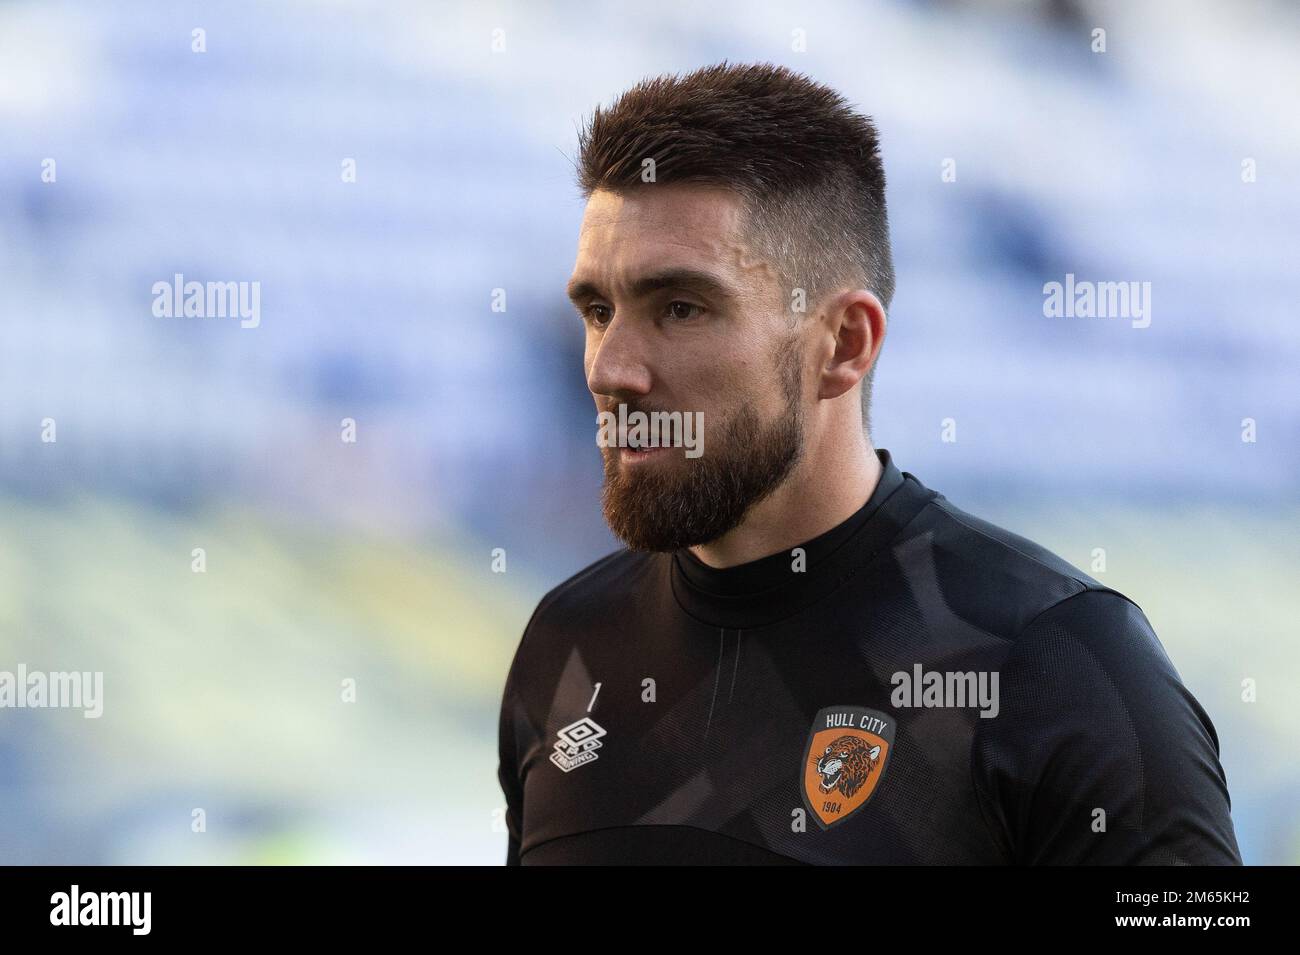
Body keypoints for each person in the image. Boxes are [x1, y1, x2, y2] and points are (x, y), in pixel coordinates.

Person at [497, 61, 1242, 865]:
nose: (611, 369)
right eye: (598, 310)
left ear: (844, 344)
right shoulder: (567, 645)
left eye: (680, 307)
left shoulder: (1054, 661)